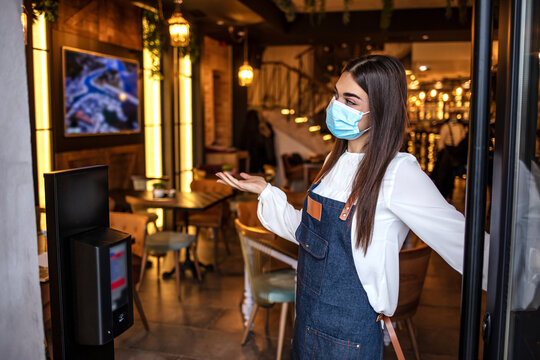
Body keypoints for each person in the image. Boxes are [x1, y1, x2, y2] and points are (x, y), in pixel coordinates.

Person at [217, 55, 488, 359]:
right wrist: (266, 191)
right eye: (336, 94)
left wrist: (525, 275)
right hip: (306, 321)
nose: (336, 105)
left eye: (350, 99)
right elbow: (309, 235)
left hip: (349, 338)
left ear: (380, 110)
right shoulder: (336, 161)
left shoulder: (398, 173)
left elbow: (464, 242)